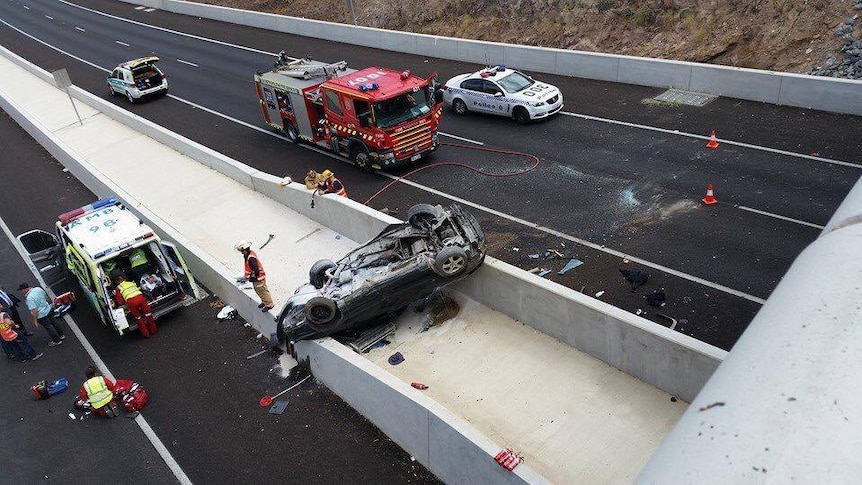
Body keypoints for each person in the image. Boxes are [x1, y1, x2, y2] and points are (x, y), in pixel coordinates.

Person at [235, 240, 273, 312]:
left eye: (241, 250)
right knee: (259, 291)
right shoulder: (247, 255)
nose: (241, 252)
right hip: (255, 277)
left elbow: (256, 269)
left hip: (258, 277)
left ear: (245, 249)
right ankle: (264, 302)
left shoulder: (251, 258)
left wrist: (253, 277)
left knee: (262, 291)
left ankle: (269, 305)